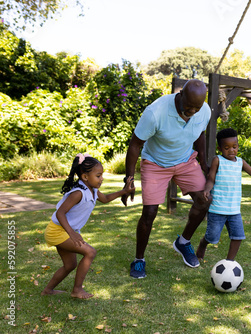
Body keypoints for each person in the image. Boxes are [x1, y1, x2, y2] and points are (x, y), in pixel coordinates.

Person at [122, 79, 212, 279]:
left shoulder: (203, 110)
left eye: (197, 108)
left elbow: (200, 133)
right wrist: (129, 178)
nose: (192, 112)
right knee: (150, 212)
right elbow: (135, 144)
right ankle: (139, 260)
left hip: (185, 161)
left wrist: (204, 162)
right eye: (188, 107)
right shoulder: (156, 112)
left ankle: (183, 242)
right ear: (180, 95)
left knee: (204, 200)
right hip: (155, 163)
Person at [42, 153, 134, 299]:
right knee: (90, 252)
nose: (101, 179)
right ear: (85, 177)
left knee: (70, 265)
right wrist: (72, 233)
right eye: (98, 176)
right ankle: (77, 290)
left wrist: (124, 191)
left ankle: (48, 290)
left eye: (101, 175)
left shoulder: (93, 190)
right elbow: (60, 213)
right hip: (57, 231)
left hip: (65, 231)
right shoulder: (78, 193)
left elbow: (105, 199)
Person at [196, 128, 251, 261]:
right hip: (217, 208)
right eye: (227, 147)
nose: (231, 150)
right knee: (212, 237)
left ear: (237, 146)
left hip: (234, 210)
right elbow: (211, 179)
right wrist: (207, 190)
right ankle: (203, 243)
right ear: (220, 148)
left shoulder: (240, 162)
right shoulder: (217, 160)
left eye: (234, 147)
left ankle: (229, 262)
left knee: (238, 236)